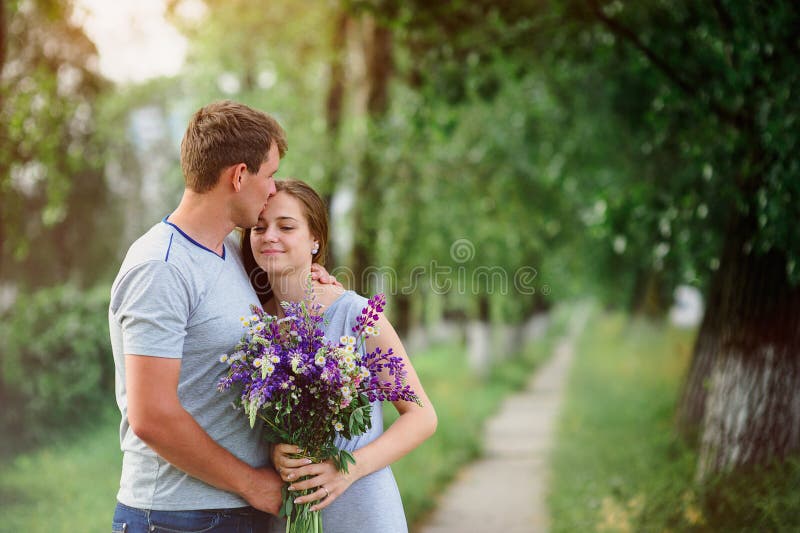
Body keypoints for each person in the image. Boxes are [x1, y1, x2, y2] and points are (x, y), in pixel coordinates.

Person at [108, 101, 337, 533]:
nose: (272, 190)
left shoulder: (230, 252)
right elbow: (150, 415)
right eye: (268, 175)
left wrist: (310, 277)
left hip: (238, 512)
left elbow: (275, 309)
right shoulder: (161, 267)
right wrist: (252, 485)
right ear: (238, 176)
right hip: (179, 518)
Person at [241, 178, 438, 533]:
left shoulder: (356, 314)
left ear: (315, 239)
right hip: (286, 516)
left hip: (363, 512)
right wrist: (274, 453)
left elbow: (422, 416)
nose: (269, 235)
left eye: (286, 226)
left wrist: (345, 468)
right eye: (259, 226)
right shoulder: (253, 326)